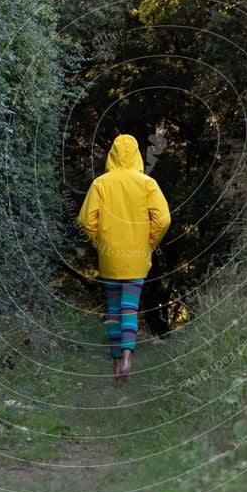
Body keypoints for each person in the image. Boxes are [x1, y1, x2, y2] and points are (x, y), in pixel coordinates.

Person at [77, 134, 171, 381]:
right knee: (129, 307)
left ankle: (117, 362)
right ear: (137, 155)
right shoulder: (147, 183)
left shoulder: (100, 184)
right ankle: (128, 358)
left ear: (112, 155)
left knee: (113, 310)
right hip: (137, 258)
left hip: (109, 258)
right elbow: (163, 220)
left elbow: (86, 221)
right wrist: (148, 242)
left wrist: (100, 242)